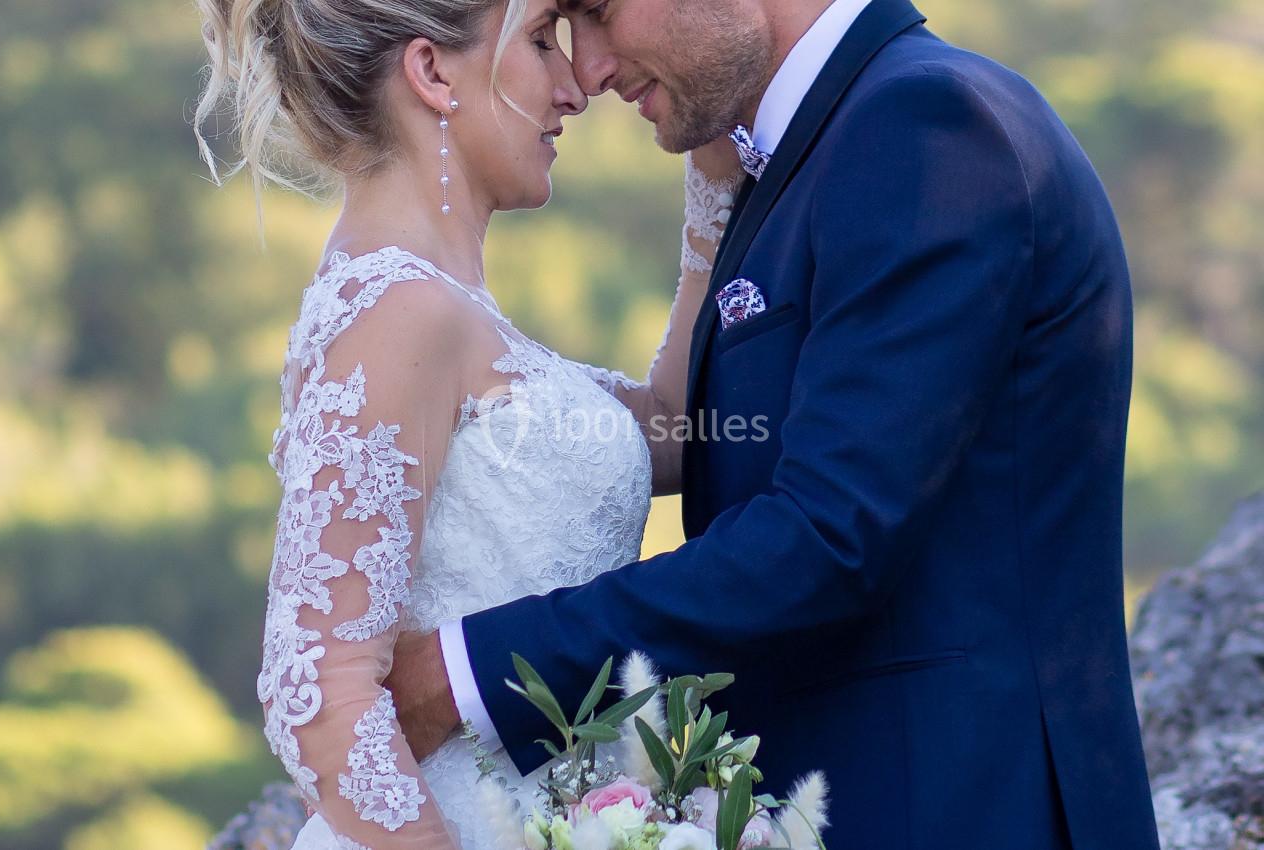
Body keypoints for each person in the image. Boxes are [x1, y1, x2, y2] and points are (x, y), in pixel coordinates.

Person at [387, 0, 1165, 848]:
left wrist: (469, 671)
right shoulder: (824, 145)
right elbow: (721, 440)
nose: (592, 68)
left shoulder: (925, 128)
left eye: (602, 12)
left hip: (962, 807)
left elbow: (830, 534)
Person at [190, 0, 742, 846]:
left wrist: (714, 174)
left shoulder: (442, 308)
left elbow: (669, 429)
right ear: (431, 73)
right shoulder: (398, 312)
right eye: (540, 40)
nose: (574, 86)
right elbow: (319, 691)